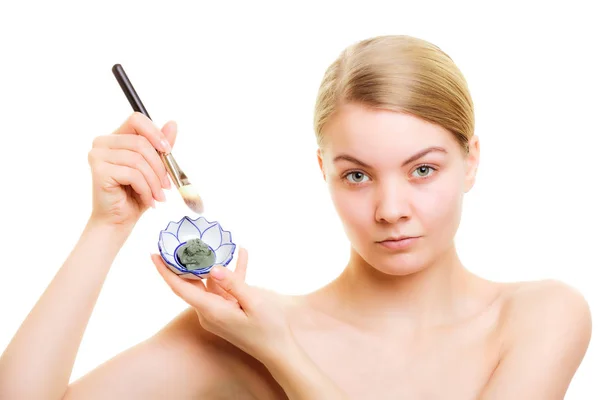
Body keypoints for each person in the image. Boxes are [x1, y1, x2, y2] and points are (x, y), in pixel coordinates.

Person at [0, 34, 592, 400]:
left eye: (422, 170)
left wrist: (282, 353)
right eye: (357, 175)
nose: (390, 210)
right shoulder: (240, 332)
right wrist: (105, 229)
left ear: (471, 162)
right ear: (324, 172)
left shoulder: (539, 317)